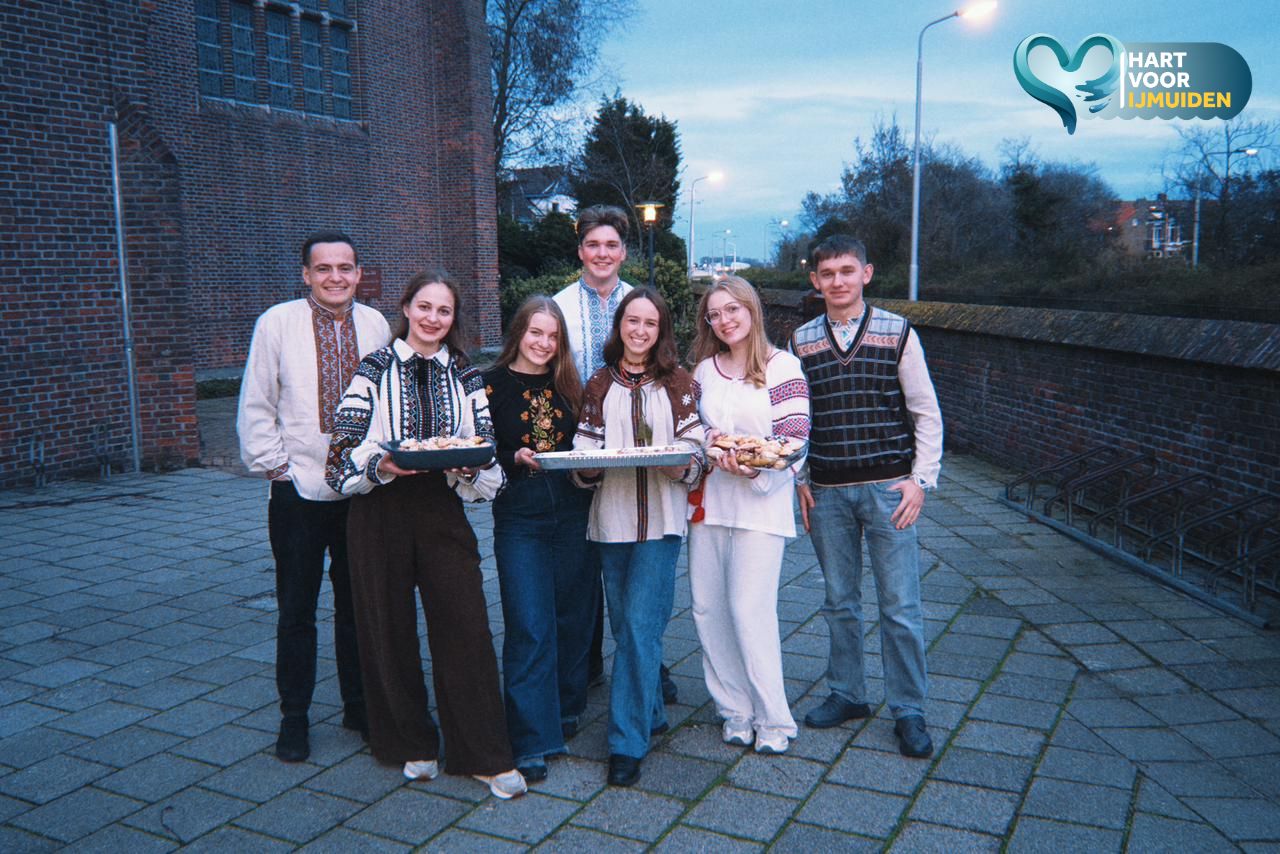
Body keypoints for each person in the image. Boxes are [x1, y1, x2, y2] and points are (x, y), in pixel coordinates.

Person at [326, 271, 526, 799]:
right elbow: (339, 456)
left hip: (442, 509)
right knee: (385, 629)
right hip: (379, 513)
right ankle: (407, 743)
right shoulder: (371, 368)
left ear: (453, 318)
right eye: (425, 307)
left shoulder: (465, 373)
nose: (434, 318)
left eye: (444, 310)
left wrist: (465, 467)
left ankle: (483, 753)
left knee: (466, 627)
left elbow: (484, 450)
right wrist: (383, 465)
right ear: (407, 307)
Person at [237, 230, 390, 762]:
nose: (335, 277)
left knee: (357, 607)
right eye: (323, 268)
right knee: (296, 610)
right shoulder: (276, 323)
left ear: (358, 273)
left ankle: (359, 706)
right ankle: (294, 718)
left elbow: (386, 400)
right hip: (298, 489)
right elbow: (258, 399)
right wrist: (275, 465)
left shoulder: (375, 324)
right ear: (306, 274)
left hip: (360, 488)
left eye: (345, 268)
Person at [789, 235, 943, 759]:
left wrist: (921, 480)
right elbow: (796, 418)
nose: (837, 281)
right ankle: (847, 693)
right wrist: (801, 479)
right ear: (815, 280)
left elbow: (925, 411)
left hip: (887, 490)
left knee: (900, 606)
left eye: (847, 271)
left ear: (867, 274)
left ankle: (908, 708)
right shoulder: (802, 340)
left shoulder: (898, 333)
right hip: (828, 490)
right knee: (839, 602)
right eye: (827, 273)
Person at [571, 287, 705, 787]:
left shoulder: (679, 383)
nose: (640, 331)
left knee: (642, 628)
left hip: (662, 525)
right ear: (620, 325)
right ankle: (649, 712)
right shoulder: (598, 383)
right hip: (612, 523)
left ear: (661, 330)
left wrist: (680, 463)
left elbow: (696, 449)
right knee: (626, 628)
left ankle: (625, 742)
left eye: (650, 323)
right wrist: (585, 471)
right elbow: (584, 451)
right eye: (632, 321)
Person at [552, 205, 679, 704]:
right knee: (586, 566)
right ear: (580, 250)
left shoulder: (639, 302)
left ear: (624, 251)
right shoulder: (560, 306)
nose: (601, 254)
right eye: (592, 245)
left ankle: (647, 664)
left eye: (611, 245)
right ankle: (585, 669)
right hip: (579, 445)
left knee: (638, 574)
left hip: (641, 452)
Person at [687, 276, 809, 755]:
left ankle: (773, 717)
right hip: (711, 501)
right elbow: (693, 425)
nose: (724, 320)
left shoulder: (783, 367)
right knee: (707, 608)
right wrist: (712, 442)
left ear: (752, 310)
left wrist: (754, 465)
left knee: (749, 609)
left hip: (761, 501)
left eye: (732, 309)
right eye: (714, 314)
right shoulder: (704, 371)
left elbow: (796, 438)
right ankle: (735, 709)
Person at [482, 296, 594, 784]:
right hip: (520, 515)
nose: (545, 343)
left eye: (553, 336)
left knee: (573, 616)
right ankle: (529, 737)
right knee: (529, 622)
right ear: (518, 333)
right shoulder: (489, 385)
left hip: (572, 511)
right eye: (536, 333)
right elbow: (479, 446)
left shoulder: (571, 385)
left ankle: (565, 710)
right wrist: (512, 459)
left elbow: (589, 441)